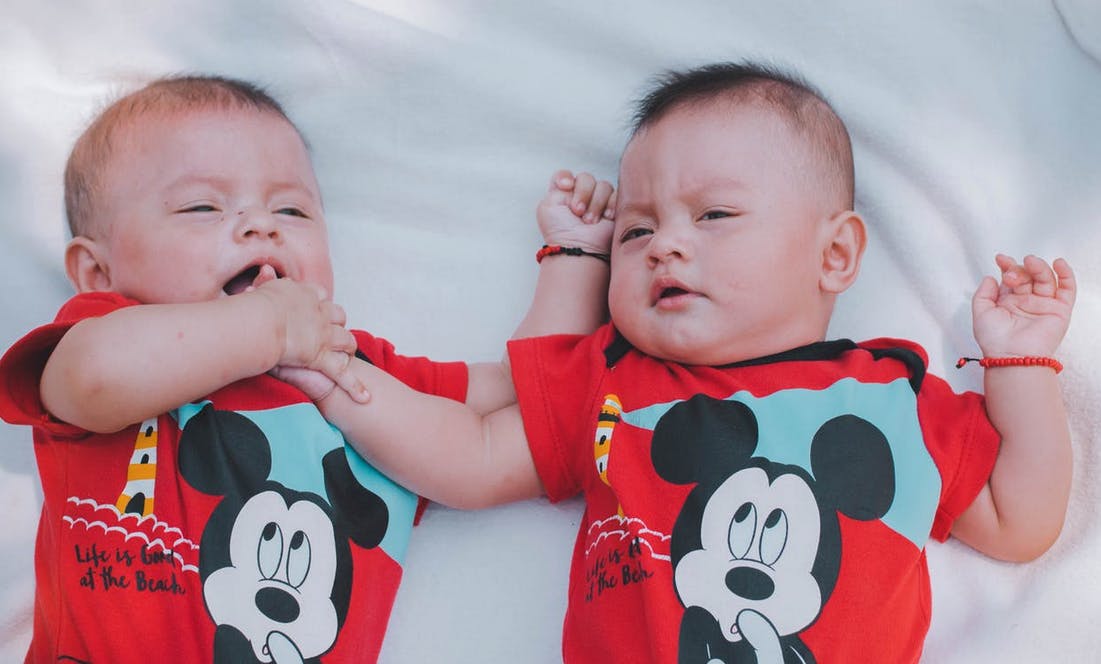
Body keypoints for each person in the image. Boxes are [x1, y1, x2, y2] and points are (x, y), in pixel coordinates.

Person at [279, 61, 1077, 663]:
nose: (665, 242)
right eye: (635, 230)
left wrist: (1018, 369)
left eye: (715, 214)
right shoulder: (618, 384)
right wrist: (343, 387)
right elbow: (473, 457)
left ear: (833, 254)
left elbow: (1020, 520)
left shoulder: (892, 401)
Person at [0, 74, 614, 664]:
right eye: (201, 207)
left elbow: (515, 391)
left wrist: (574, 257)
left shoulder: (347, 362)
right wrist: (267, 329)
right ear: (97, 271)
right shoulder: (107, 331)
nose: (260, 224)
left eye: (292, 212)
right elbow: (92, 379)